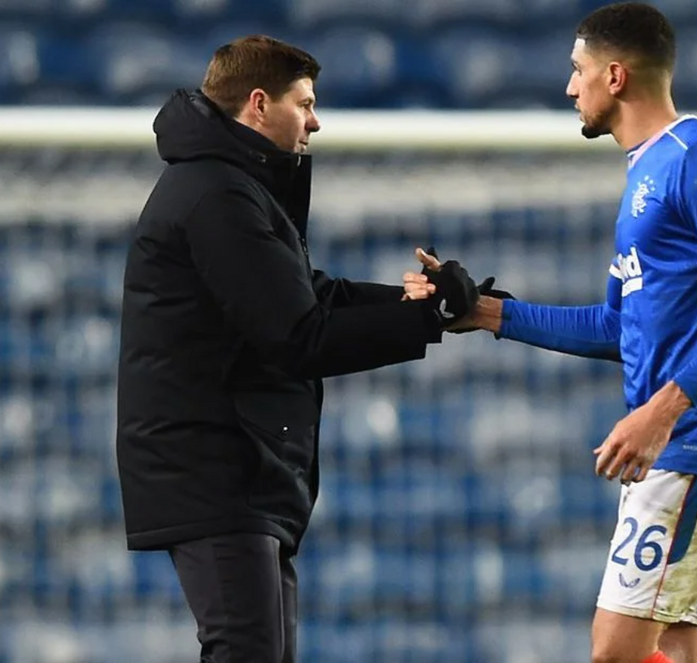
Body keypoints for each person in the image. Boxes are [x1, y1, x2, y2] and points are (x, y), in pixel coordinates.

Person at [405, 4, 697, 662]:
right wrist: (487, 313)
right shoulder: (644, 172)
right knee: (677, 646)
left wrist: (662, 411)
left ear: (614, 76)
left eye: (577, 70)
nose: (569, 87)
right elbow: (618, 326)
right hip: (685, 446)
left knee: (614, 650)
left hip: (696, 442)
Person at [115, 35, 479, 663]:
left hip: (238, 467)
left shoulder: (233, 187)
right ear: (259, 104)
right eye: (304, 103)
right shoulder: (216, 195)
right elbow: (297, 336)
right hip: (215, 468)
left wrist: (423, 306)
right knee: (246, 648)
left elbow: (309, 294)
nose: (315, 120)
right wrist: (420, 322)